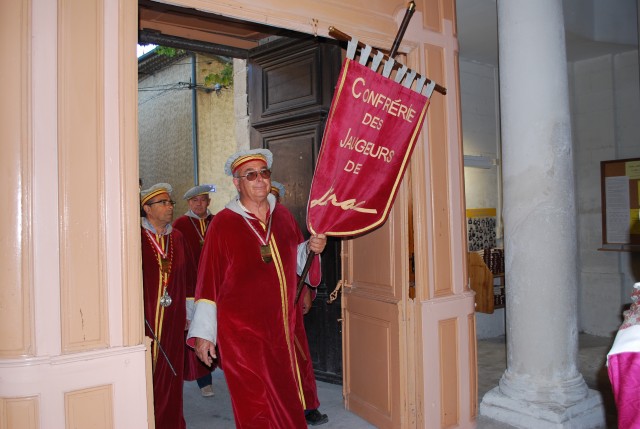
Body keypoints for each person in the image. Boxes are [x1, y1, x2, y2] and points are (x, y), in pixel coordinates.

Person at [187, 148, 327, 428]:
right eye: (250, 175)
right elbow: (208, 281)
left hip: (281, 331)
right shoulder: (224, 224)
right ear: (237, 183)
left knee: (286, 399)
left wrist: (312, 249)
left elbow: (295, 261)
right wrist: (204, 334)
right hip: (241, 335)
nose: (260, 180)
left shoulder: (284, 216)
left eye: (264, 173)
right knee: (254, 406)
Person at [270, 180, 328, 426]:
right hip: (263, 308)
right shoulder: (242, 223)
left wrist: (305, 291)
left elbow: (300, 258)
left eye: (274, 196)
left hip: (290, 301)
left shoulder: (285, 220)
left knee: (300, 356)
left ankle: (308, 407)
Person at [140, 183, 192, 429]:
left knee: (172, 374)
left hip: (174, 317)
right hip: (145, 318)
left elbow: (187, 277)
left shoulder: (177, 237)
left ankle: (171, 422)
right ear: (147, 209)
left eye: (170, 202)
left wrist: (189, 313)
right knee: (147, 373)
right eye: (163, 203)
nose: (170, 207)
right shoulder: (135, 236)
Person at [173, 184, 217, 397]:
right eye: (194, 201)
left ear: (208, 201)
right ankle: (203, 380)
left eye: (202, 200)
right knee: (198, 332)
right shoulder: (180, 225)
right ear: (188, 203)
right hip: (191, 289)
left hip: (218, 288)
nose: (199, 204)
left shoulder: (217, 222)